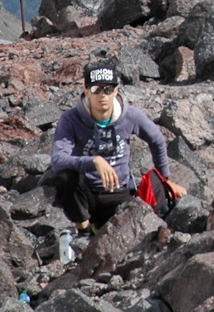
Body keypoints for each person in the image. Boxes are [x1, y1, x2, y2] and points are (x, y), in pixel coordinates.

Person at [50, 61, 184, 262]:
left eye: (108, 89)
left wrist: (165, 179)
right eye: (96, 89)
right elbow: (58, 160)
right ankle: (84, 232)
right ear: (86, 91)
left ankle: (99, 230)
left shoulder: (130, 116)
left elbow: (156, 139)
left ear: (116, 91)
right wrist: (93, 161)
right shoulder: (71, 119)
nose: (102, 95)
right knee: (64, 176)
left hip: (118, 192)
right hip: (85, 193)